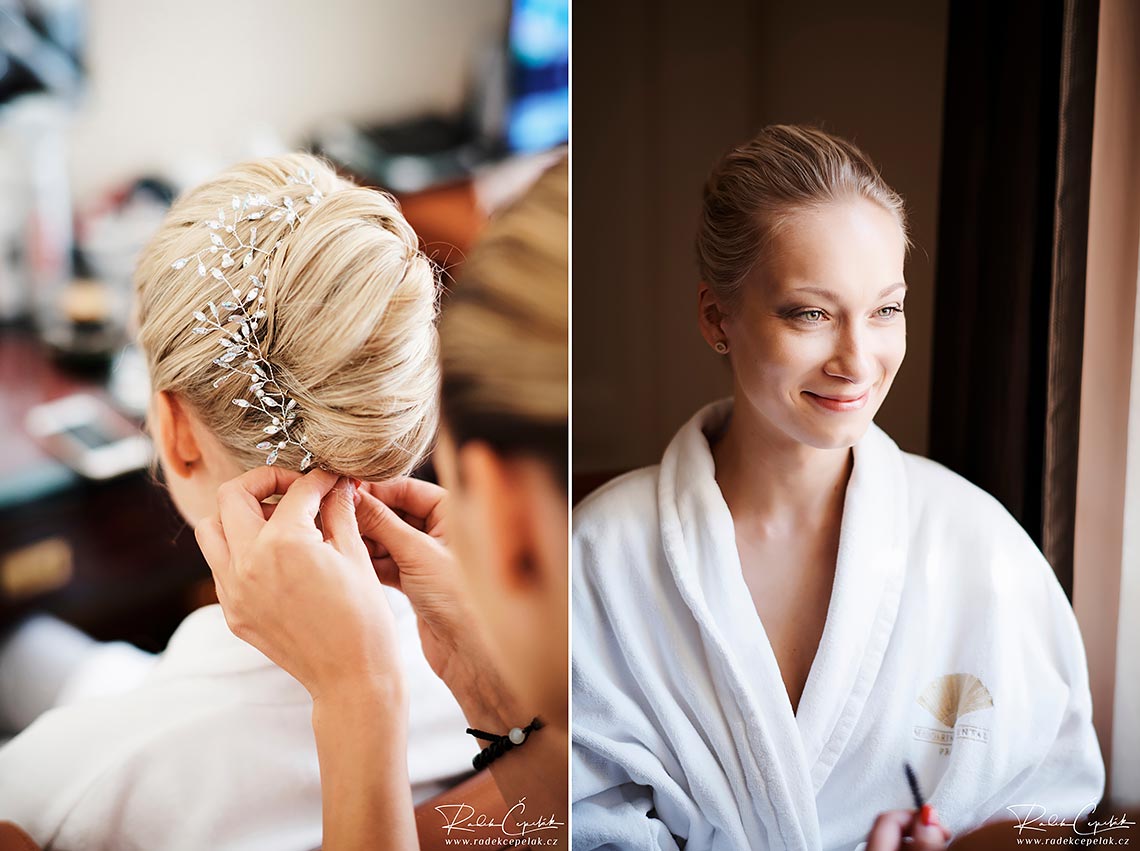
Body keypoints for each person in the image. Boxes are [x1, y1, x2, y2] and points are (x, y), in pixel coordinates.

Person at [571, 125, 1104, 850]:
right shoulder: (600, 553)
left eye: (887, 309)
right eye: (811, 313)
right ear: (715, 316)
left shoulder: (982, 548)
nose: (858, 359)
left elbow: (1056, 813)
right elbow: (574, 811)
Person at [0, 154, 486, 851]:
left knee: (22, 650)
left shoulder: (61, 796)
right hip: (164, 696)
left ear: (173, 431)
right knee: (33, 658)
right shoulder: (523, 683)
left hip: (151, 717)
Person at [195, 158, 569, 850]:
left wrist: (356, 696)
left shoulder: (71, 789)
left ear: (174, 432)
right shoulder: (550, 704)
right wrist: (485, 685)